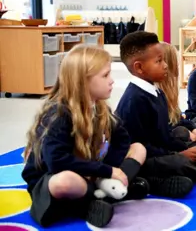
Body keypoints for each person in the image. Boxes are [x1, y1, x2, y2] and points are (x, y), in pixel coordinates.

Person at [21, 45, 149, 228]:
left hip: (91, 173)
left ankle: (109, 190)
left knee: (138, 148)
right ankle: (93, 202)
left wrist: (107, 168)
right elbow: (57, 162)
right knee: (65, 181)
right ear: (82, 81)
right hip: (53, 179)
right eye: (105, 75)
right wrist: (107, 172)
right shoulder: (58, 115)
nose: (112, 81)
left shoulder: (100, 107)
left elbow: (122, 140)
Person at [116, 32, 196, 195]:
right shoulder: (134, 100)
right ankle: (153, 181)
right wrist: (180, 154)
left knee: (188, 154)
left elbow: (165, 135)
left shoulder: (156, 92)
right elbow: (140, 148)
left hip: (161, 152)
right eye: (159, 61)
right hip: (143, 160)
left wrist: (182, 150)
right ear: (139, 67)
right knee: (187, 166)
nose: (165, 65)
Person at [156, 44, 196, 151]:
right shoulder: (156, 93)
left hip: (180, 128)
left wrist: (193, 129)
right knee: (181, 131)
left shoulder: (170, 89)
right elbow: (163, 128)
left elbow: (178, 118)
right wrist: (188, 131)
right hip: (170, 136)